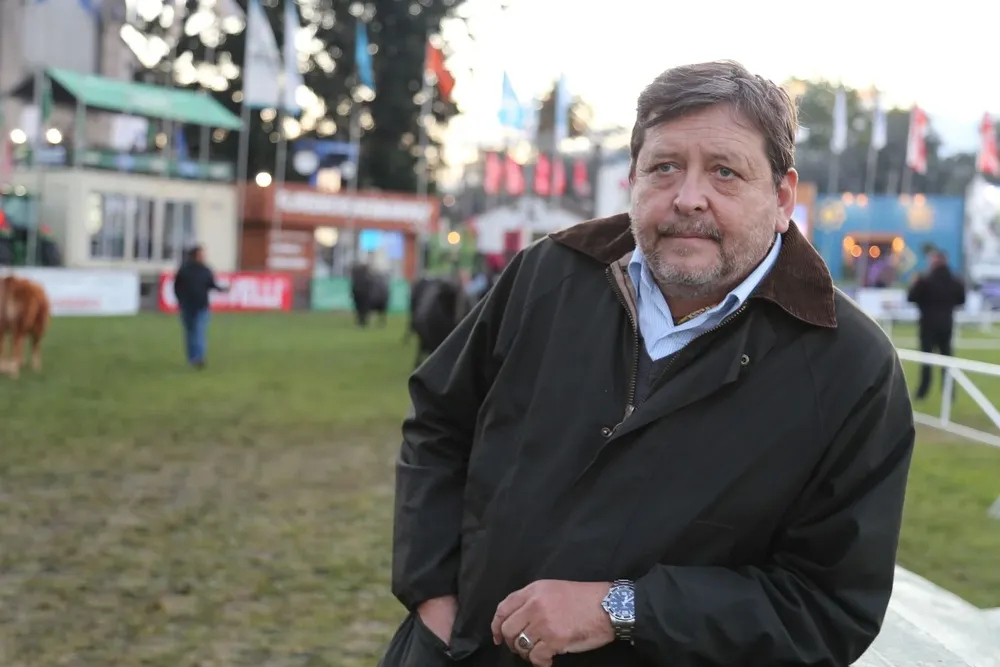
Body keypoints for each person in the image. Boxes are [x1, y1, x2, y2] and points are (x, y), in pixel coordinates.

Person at [381, 60, 915, 667]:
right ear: (632, 179)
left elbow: (828, 608)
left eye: (725, 171)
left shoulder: (850, 367)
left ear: (782, 196)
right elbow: (439, 425)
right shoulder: (549, 274)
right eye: (664, 167)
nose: (689, 198)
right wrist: (432, 595)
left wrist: (626, 609)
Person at [907, 248, 966, 399]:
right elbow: (961, 300)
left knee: (926, 360)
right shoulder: (955, 280)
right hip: (946, 323)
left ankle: (923, 391)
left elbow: (911, 297)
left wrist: (914, 284)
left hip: (927, 324)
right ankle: (949, 393)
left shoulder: (925, 280)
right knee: (947, 358)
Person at [172, 244, 226, 369]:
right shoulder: (184, 270)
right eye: (201, 254)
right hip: (187, 306)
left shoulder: (206, 270)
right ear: (194, 256)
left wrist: (222, 289)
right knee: (190, 333)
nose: (203, 256)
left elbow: (211, 284)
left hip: (202, 306)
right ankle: (192, 358)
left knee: (199, 332)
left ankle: (199, 358)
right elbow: (177, 287)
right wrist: (180, 300)